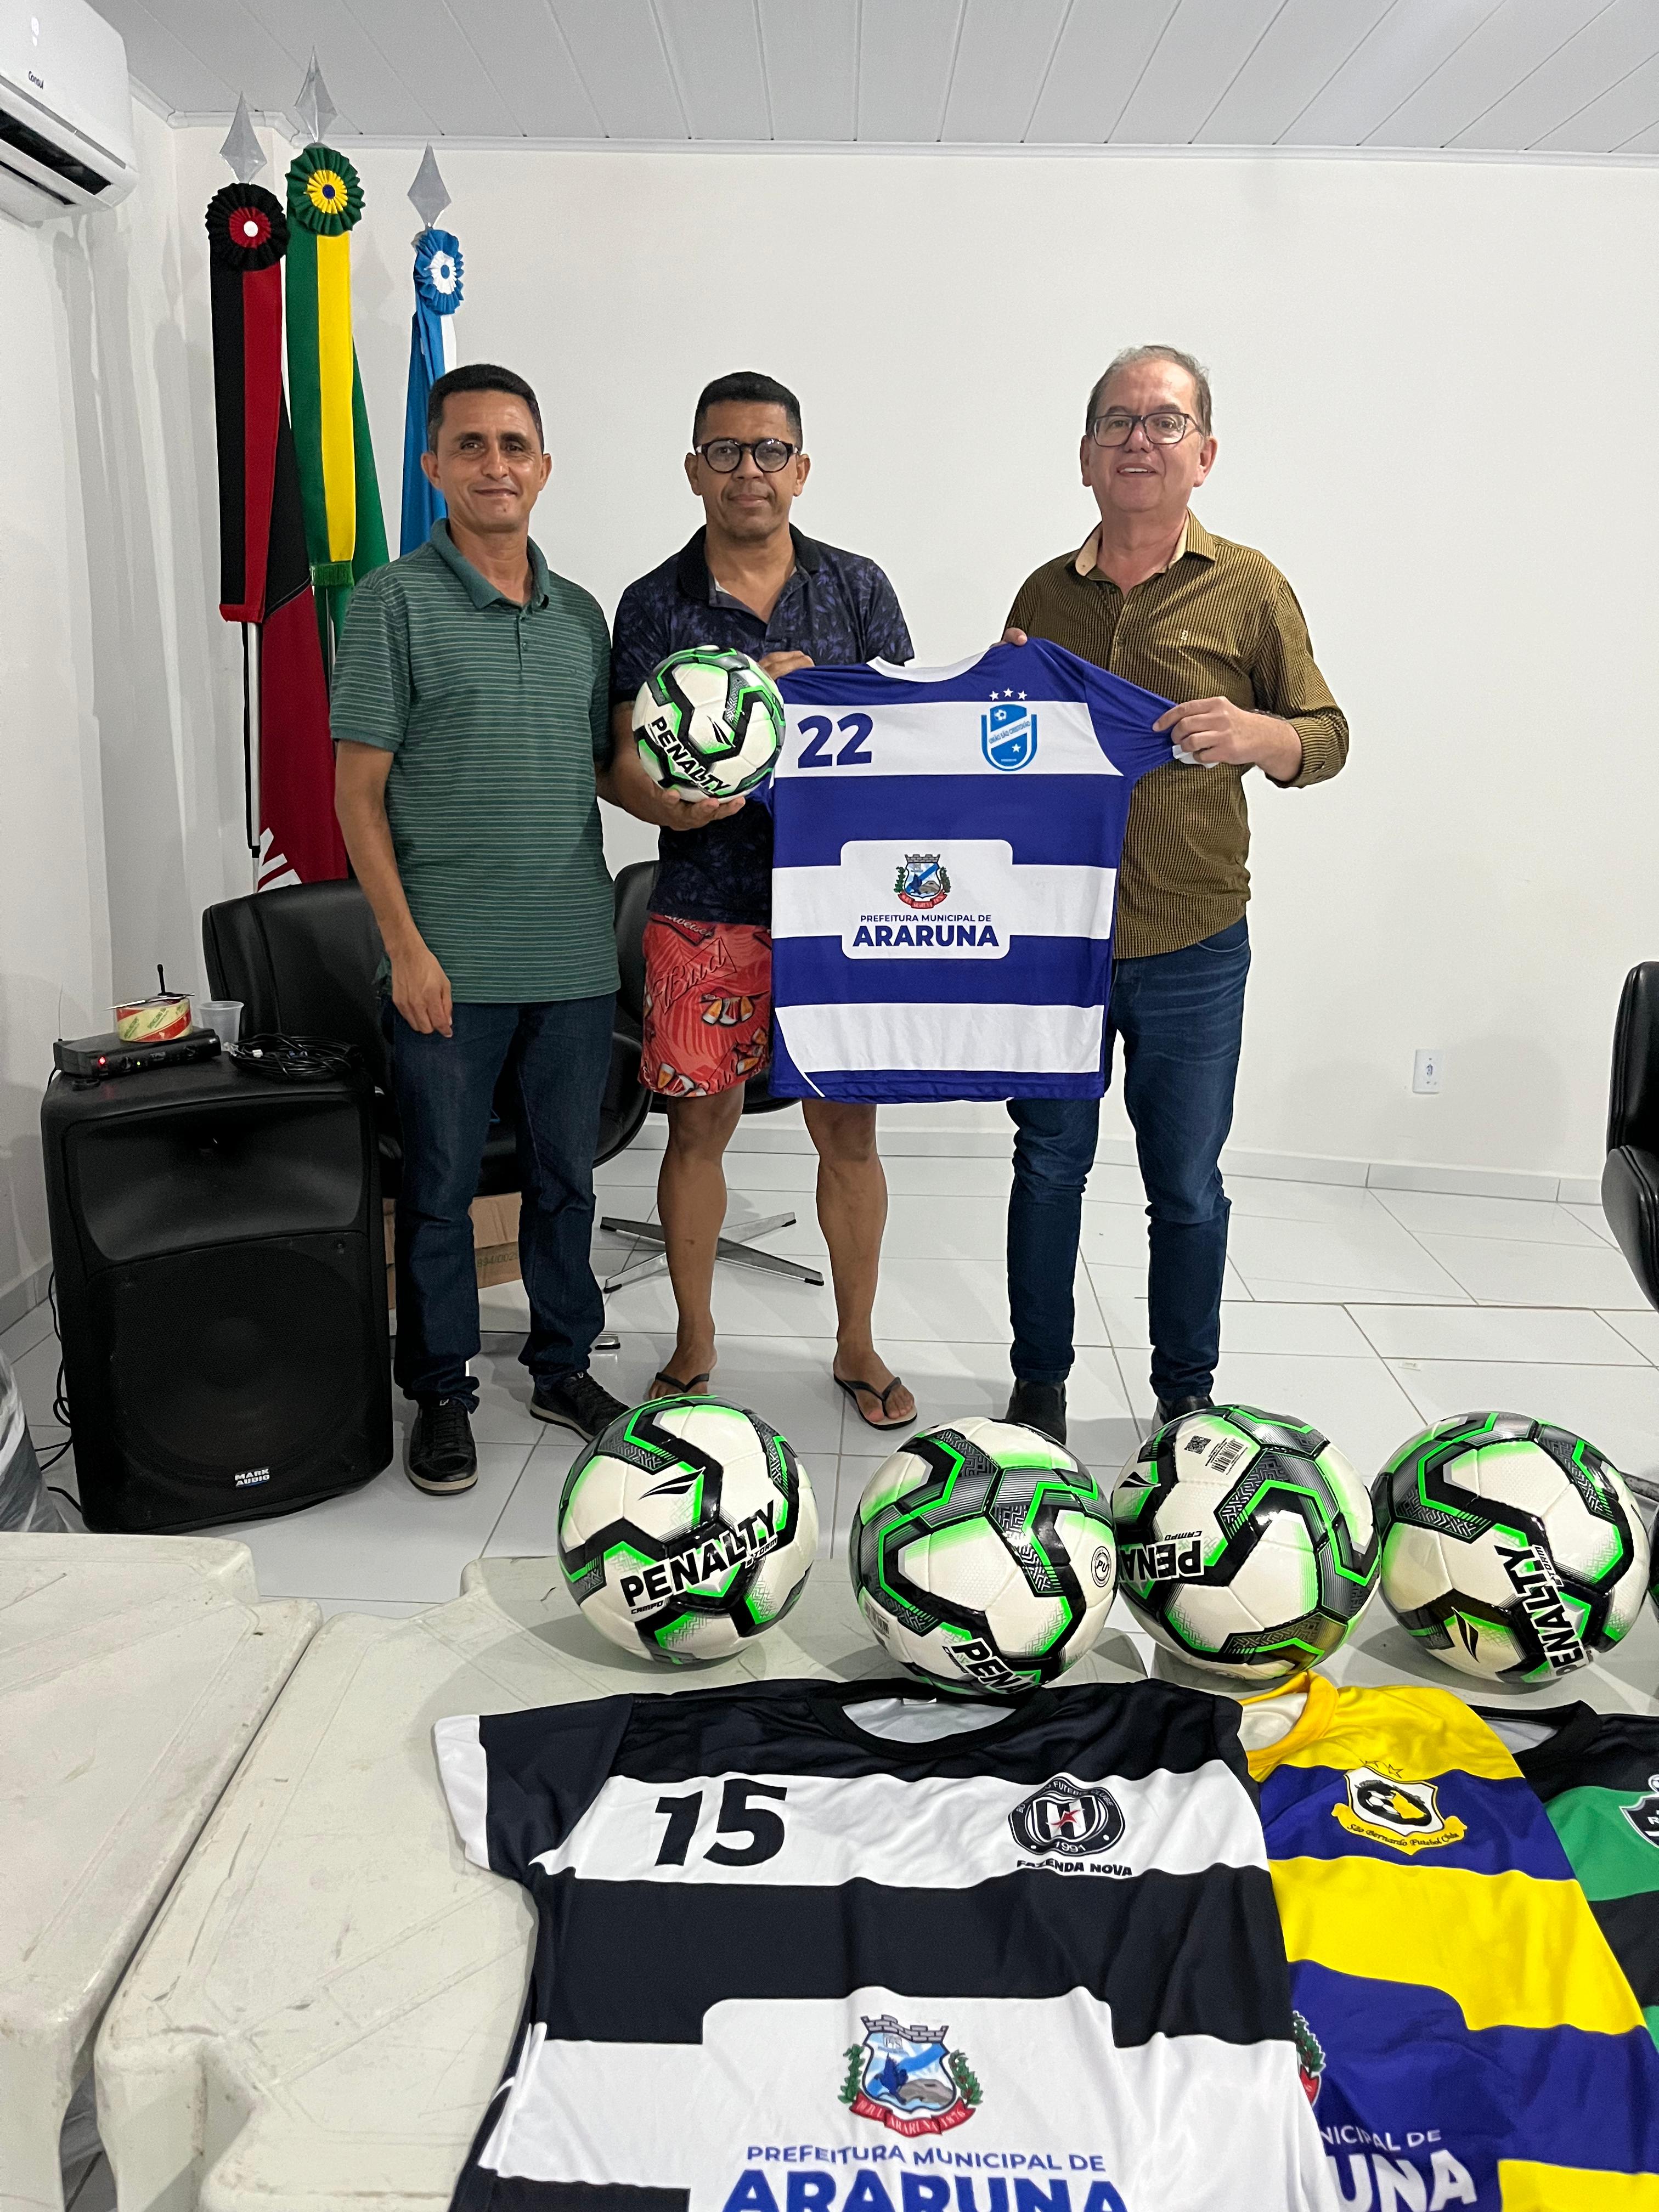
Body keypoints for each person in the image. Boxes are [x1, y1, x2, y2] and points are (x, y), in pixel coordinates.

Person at [1000, 345, 1348, 1445]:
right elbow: (1003, 751)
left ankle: (1187, 1394)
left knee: (1187, 1185)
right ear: (1085, 456)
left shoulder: (1251, 587)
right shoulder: (1043, 595)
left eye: (1163, 422)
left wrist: (1258, 735)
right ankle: (1039, 1387)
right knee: (1047, 1167)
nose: (1137, 441)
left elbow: (1328, 736)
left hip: (1193, 938)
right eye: (1116, 422)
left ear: (1204, 453)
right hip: (1057, 939)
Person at [602, 371, 917, 1430]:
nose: (751, 471)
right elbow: (620, 759)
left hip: (841, 909)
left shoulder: (858, 588)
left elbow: (908, 738)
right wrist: (671, 802)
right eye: (726, 451)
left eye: (770, 451)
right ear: (695, 469)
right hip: (706, 899)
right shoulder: (654, 602)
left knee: (850, 1136)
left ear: (802, 468)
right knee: (698, 1131)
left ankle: (857, 1342)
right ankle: (695, 1341)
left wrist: (811, 704)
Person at [332, 362, 627, 1496]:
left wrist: (706, 782)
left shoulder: (582, 616)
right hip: (446, 964)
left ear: (544, 467)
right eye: (470, 445)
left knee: (565, 1182)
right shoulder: (390, 605)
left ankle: (563, 1366)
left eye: (514, 446)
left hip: (572, 957)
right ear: (433, 465)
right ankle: (442, 1393)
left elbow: (602, 770)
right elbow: (358, 797)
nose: (494, 466)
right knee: (441, 1192)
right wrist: (406, 950)